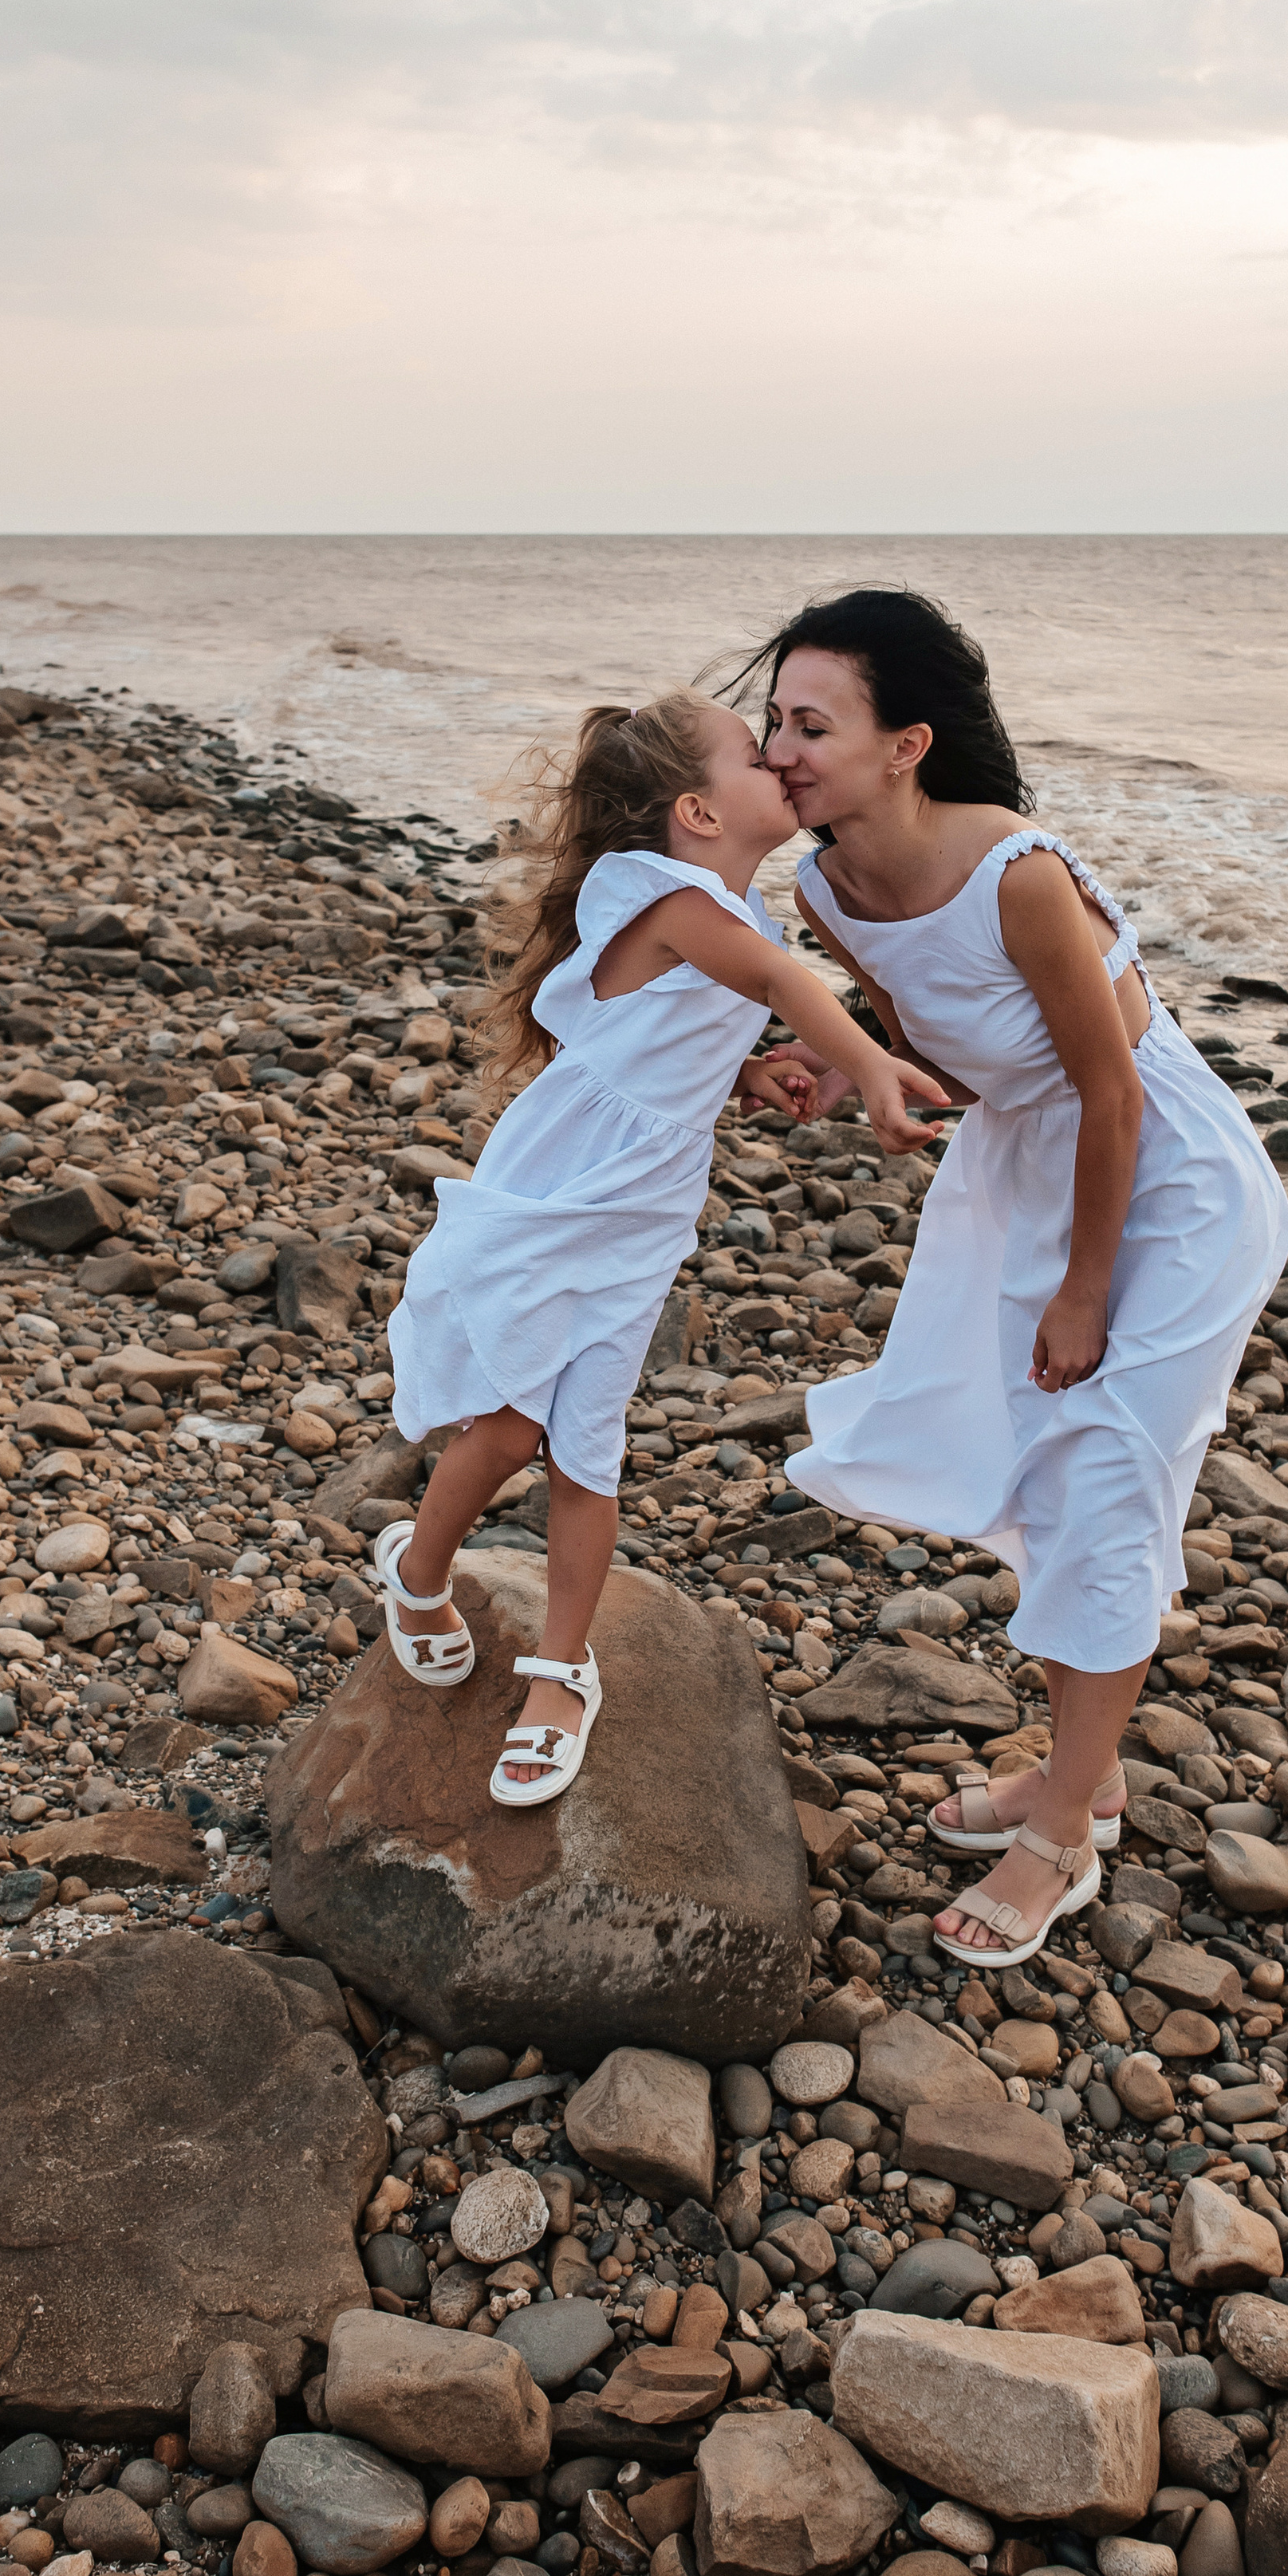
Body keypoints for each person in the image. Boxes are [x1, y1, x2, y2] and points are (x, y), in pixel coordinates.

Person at [742, 589, 1288, 1964]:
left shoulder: (1020, 873)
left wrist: (1084, 1291)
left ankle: (1063, 1844)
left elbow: (1114, 1097)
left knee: (1103, 1468)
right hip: (1031, 1171)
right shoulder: (824, 884)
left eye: (814, 723)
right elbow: (931, 1031)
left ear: (907, 744)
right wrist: (834, 1063)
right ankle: (1081, 1771)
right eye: (774, 722)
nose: (782, 748)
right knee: (1047, 1475)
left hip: (1167, 1187)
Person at [380, 691, 947, 1809]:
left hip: (639, 1223)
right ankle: (417, 1571)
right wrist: (873, 1065)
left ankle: (559, 1669)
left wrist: (743, 1071)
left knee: (587, 1448)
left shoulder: (723, 912)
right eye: (755, 751)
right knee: (503, 1426)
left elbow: (653, 1031)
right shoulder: (666, 891)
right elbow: (779, 986)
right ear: (695, 808)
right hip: (561, 1197)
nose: (781, 760)